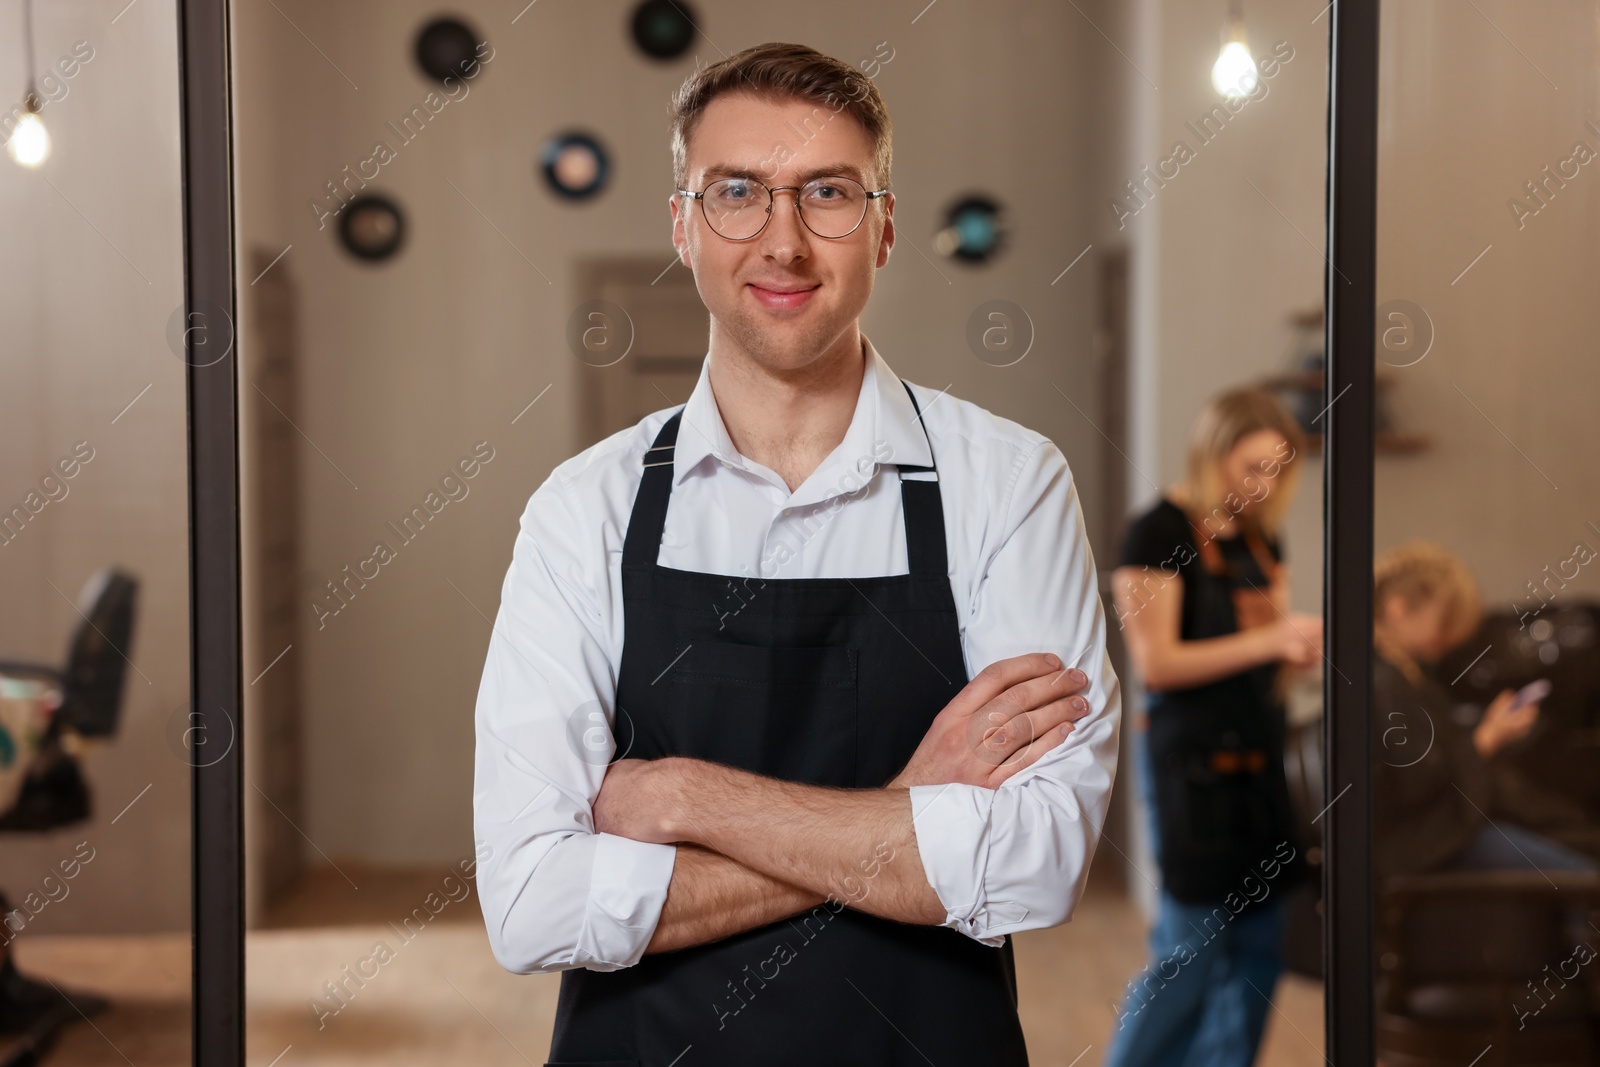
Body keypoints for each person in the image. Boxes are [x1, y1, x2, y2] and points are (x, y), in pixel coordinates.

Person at [471, 42, 1122, 1065]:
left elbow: (1035, 866)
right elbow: (530, 903)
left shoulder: (1007, 483)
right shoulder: (582, 509)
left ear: (885, 226)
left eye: (827, 191)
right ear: (682, 225)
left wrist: (686, 796)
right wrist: (908, 815)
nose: (782, 240)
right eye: (737, 191)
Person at [1104, 388, 1320, 1067]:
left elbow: (1266, 658)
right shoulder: (1158, 532)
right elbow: (1157, 662)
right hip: (1191, 770)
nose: (1263, 485)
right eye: (1250, 466)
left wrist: (1298, 653)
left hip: (1261, 767)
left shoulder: (1262, 537)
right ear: (1213, 453)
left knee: (1259, 949)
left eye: (1278, 471)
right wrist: (1272, 641)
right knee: (1188, 951)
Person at [1371, 541, 1597, 878]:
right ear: (1398, 609)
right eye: (1445, 620)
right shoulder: (1387, 682)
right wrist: (1488, 738)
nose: (1449, 637)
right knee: (1583, 880)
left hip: (1434, 834)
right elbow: (1420, 788)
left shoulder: (1399, 675)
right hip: (1425, 843)